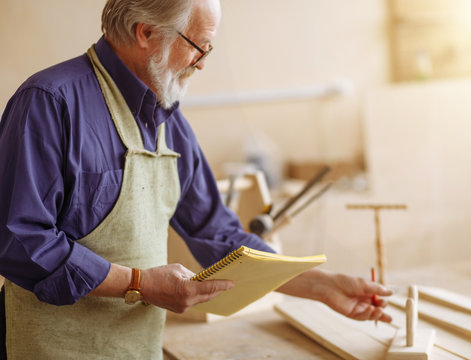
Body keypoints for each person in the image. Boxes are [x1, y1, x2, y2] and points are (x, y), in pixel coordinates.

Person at [0, 0, 393, 358]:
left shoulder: (170, 123)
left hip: (136, 349)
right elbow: (19, 241)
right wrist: (140, 283)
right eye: (199, 45)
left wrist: (317, 285)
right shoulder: (49, 102)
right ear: (146, 33)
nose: (203, 62)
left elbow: (218, 234)